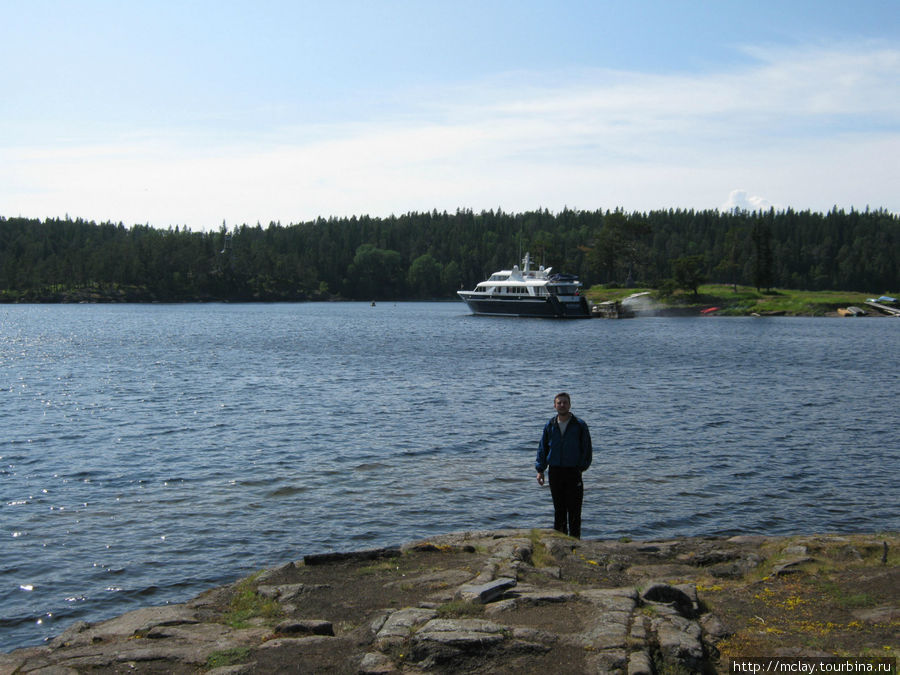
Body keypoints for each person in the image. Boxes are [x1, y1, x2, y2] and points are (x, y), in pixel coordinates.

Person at [535, 392, 592, 538]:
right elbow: (543, 448)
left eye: (565, 402)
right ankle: (560, 543)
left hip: (573, 471)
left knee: (574, 510)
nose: (562, 405)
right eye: (559, 403)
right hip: (555, 472)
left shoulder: (579, 425)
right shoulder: (550, 425)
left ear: (570, 405)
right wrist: (540, 470)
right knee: (559, 510)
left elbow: (587, 449)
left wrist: (581, 467)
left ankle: (575, 545)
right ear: (554, 405)